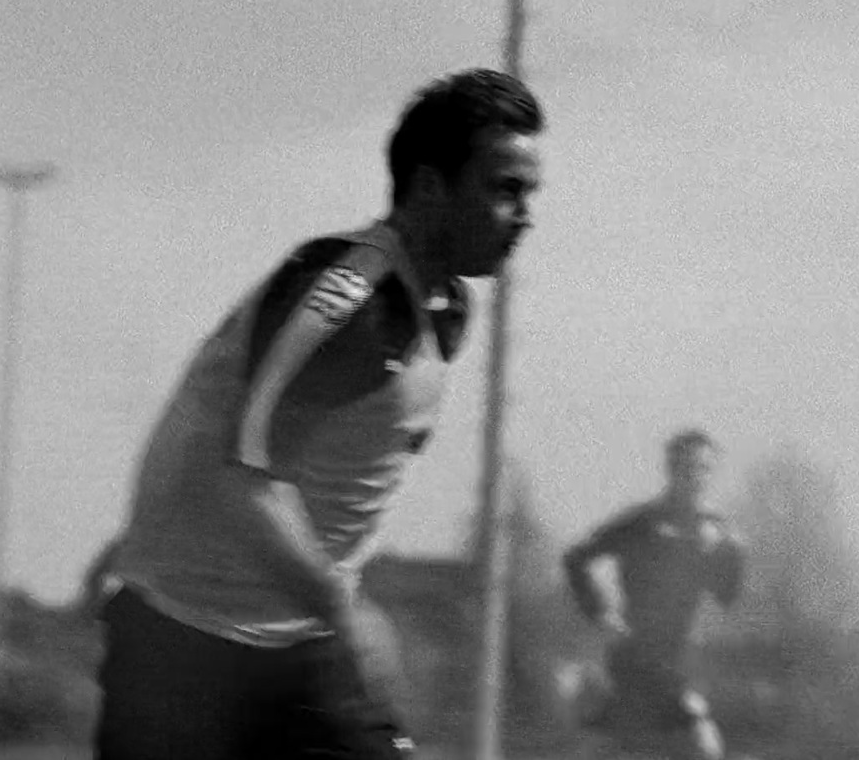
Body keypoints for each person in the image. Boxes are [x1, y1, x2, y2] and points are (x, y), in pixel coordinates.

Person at [91, 68, 546, 760]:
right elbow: (241, 473)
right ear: (429, 186)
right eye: (503, 188)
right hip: (180, 651)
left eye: (529, 192)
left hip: (298, 653)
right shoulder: (350, 299)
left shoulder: (447, 309)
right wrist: (343, 605)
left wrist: (331, 611)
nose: (524, 213)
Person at [562, 429, 748, 760]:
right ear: (672, 470)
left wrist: (733, 554)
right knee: (600, 749)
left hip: (676, 665)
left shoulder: (715, 531)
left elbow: (726, 596)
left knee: (705, 748)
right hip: (632, 659)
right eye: (687, 468)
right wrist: (600, 612)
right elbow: (576, 558)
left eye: (704, 469)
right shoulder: (641, 522)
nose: (695, 477)